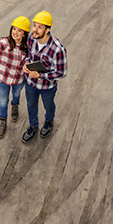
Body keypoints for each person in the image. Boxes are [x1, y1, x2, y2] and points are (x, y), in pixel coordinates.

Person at [22, 11, 67, 143]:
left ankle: (48, 121)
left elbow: (61, 73)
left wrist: (40, 75)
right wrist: (26, 62)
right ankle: (33, 125)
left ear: (47, 30)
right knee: (31, 105)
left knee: (48, 105)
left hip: (47, 87)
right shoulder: (32, 38)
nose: (35, 30)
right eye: (35, 25)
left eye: (40, 27)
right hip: (30, 83)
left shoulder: (58, 49)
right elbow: (28, 54)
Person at [0, 16, 31, 138]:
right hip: (2, 79)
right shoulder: (5, 43)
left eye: (19, 30)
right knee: (3, 101)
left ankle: (15, 106)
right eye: (14, 29)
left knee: (16, 95)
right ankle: (3, 120)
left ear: (25, 34)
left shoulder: (26, 48)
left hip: (18, 79)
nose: (15, 32)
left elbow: (29, 59)